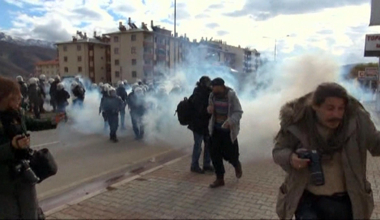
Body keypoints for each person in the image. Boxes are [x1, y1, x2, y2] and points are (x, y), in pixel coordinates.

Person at [272, 82, 380, 220]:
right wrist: (291, 158)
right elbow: (278, 151)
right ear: (315, 106)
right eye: (330, 108)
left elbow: (376, 145)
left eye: (341, 108)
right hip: (307, 202)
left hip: (347, 202)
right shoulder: (299, 123)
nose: (337, 114)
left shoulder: (357, 121)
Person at [0, 76, 61, 219]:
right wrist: (12, 146)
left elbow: (32, 123)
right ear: (4, 99)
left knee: (31, 213)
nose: (19, 102)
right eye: (15, 99)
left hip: (24, 173)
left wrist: (53, 121)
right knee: (10, 215)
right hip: (3, 181)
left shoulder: (18, 114)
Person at [207, 77, 243, 188]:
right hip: (216, 130)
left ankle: (236, 164)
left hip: (228, 131)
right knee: (215, 154)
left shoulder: (231, 96)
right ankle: (219, 178)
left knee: (231, 155)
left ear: (222, 87)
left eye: (216, 87)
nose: (214, 90)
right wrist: (209, 109)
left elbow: (238, 111)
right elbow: (210, 108)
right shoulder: (212, 96)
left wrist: (231, 121)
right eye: (213, 88)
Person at [188, 76, 214, 174]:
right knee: (198, 146)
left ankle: (207, 165)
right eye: (208, 83)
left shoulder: (208, 93)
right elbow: (198, 110)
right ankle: (194, 165)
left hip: (206, 124)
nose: (209, 85)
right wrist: (207, 111)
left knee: (208, 145)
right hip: (198, 124)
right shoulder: (198, 94)